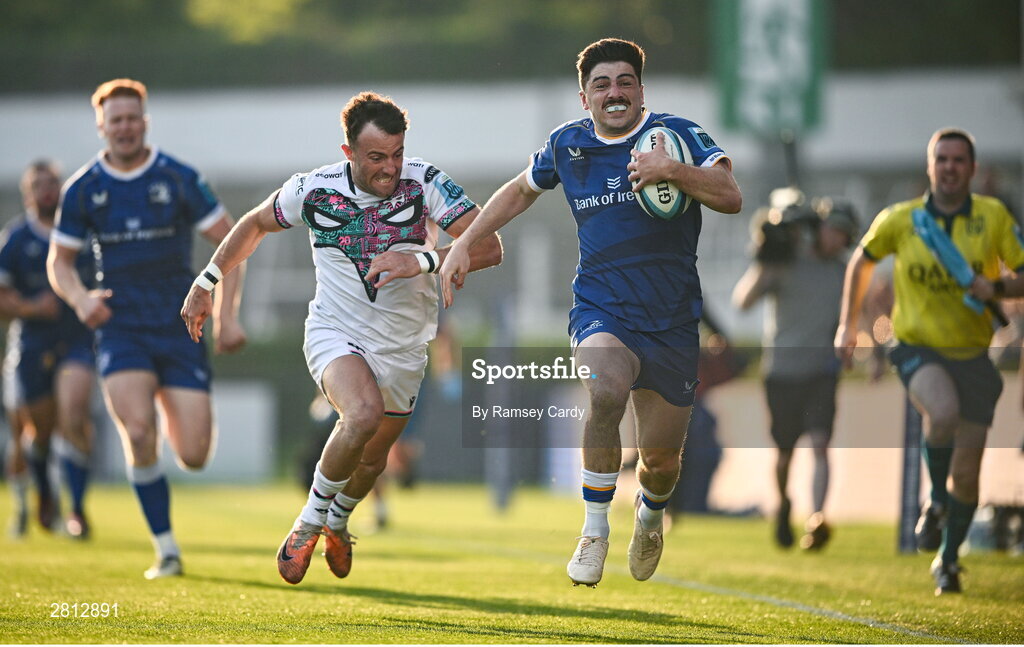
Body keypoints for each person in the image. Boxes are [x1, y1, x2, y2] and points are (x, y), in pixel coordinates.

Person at [439, 38, 742, 587]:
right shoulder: (567, 145)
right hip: (601, 307)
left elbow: (729, 193)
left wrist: (672, 170)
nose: (615, 93)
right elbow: (519, 191)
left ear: (641, 90)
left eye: (625, 81)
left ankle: (649, 520)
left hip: (672, 320)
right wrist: (464, 242)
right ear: (585, 97)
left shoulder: (676, 135)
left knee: (661, 462)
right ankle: (595, 528)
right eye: (602, 85)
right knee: (605, 388)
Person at [180, 91, 502, 585]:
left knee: (374, 460)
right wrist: (207, 281)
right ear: (348, 151)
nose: (390, 168)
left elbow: (490, 247)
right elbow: (254, 224)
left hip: (406, 347)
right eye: (376, 157)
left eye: (396, 154)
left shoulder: (427, 181)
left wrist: (419, 260)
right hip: (336, 332)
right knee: (362, 414)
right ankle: (308, 523)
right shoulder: (313, 188)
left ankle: (339, 520)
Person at [48, 78, 246, 578]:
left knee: (195, 455)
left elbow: (233, 246)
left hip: (182, 327)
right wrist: (79, 298)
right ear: (101, 127)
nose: (125, 127)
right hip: (120, 330)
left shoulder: (178, 178)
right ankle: (166, 549)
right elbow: (60, 261)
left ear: (145, 122)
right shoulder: (83, 189)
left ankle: (173, 412)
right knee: (138, 431)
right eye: (115, 120)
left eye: (133, 118)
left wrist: (226, 316)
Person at [835, 127, 1024, 595]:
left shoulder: (993, 217)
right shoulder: (903, 219)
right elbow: (860, 261)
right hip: (918, 346)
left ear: (972, 169)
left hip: (974, 354)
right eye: (942, 159)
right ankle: (935, 502)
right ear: (929, 166)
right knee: (941, 413)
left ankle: (949, 558)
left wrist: (995, 288)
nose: (950, 167)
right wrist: (847, 326)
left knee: (968, 471)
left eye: (959, 160)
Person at [733, 191, 858, 551]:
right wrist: (766, 256)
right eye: (835, 230)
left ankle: (817, 518)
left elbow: (858, 319)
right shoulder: (787, 260)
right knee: (785, 454)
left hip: (821, 371)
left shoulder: (844, 272)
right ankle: (785, 502)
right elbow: (743, 302)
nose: (839, 239)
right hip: (782, 371)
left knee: (820, 444)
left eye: (845, 234)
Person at [1, 160, 97, 539]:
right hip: (30, 344)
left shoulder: (81, 234)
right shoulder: (16, 239)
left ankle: (76, 510)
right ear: (28, 194)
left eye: (53, 182)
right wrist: (29, 308)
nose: (47, 189)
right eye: (39, 184)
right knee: (36, 434)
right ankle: (40, 495)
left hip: (76, 341)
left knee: (74, 416)